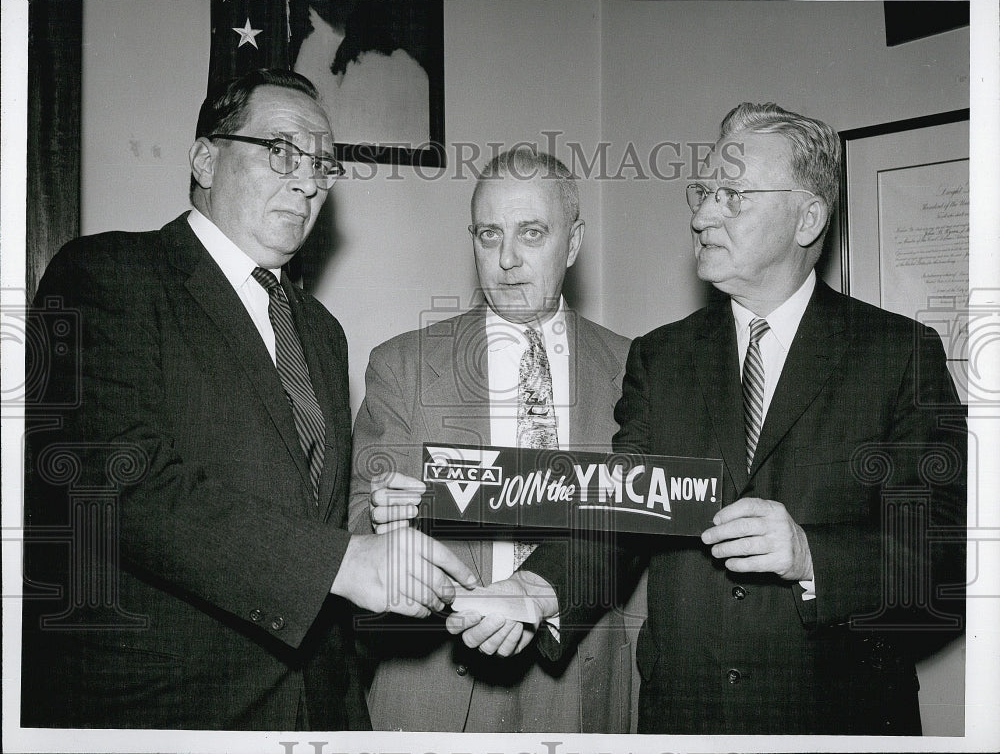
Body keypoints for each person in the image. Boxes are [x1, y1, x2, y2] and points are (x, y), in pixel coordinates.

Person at [450, 103, 967, 735]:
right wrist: (537, 588)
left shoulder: (898, 356)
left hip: (840, 723)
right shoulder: (661, 358)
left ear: (807, 217)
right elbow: (622, 517)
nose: (700, 216)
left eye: (732, 196)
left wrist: (810, 556)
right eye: (703, 192)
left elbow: (942, 563)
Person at [21, 68, 476, 730]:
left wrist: (376, 527)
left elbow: (307, 518)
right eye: (283, 151)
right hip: (163, 713)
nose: (310, 178)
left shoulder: (321, 330)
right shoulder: (105, 273)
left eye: (323, 161)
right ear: (206, 157)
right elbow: (117, 482)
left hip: (315, 710)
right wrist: (342, 561)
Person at [348, 147, 636, 732]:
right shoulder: (404, 365)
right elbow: (355, 521)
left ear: (573, 244)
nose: (507, 259)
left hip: (584, 682)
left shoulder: (634, 369)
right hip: (440, 684)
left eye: (531, 233)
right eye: (488, 235)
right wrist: (386, 521)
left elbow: (645, 529)